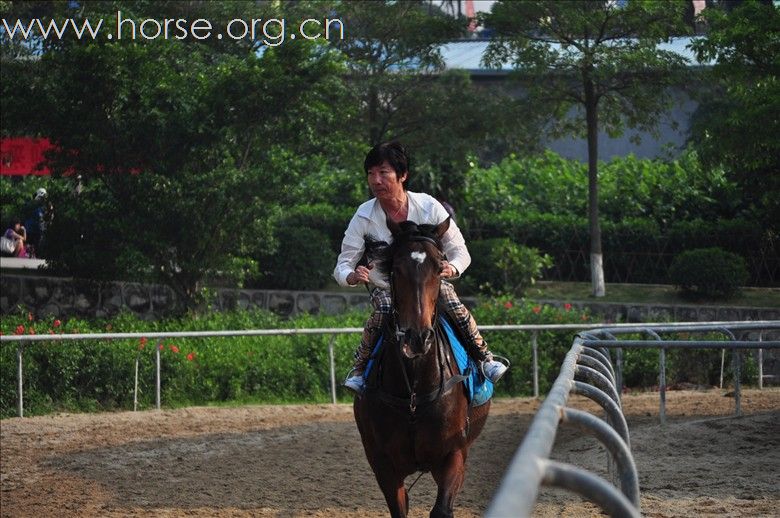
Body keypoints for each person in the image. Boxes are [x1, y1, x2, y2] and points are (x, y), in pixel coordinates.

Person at [335, 141, 508, 393]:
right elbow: (344, 262)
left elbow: (460, 251)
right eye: (371, 174)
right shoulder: (363, 215)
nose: (376, 180)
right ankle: (360, 371)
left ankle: (485, 359)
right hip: (387, 286)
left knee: (451, 301)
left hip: (429, 283)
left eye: (383, 173)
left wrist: (453, 268)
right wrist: (350, 276)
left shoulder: (429, 206)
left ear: (402, 175)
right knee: (383, 308)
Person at [23, 187, 53, 257]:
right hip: (32, 228)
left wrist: (50, 211)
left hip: (37, 228)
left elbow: (47, 216)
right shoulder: (34, 203)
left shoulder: (44, 205)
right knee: (32, 244)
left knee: (37, 244)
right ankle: (31, 255)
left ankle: (35, 255)